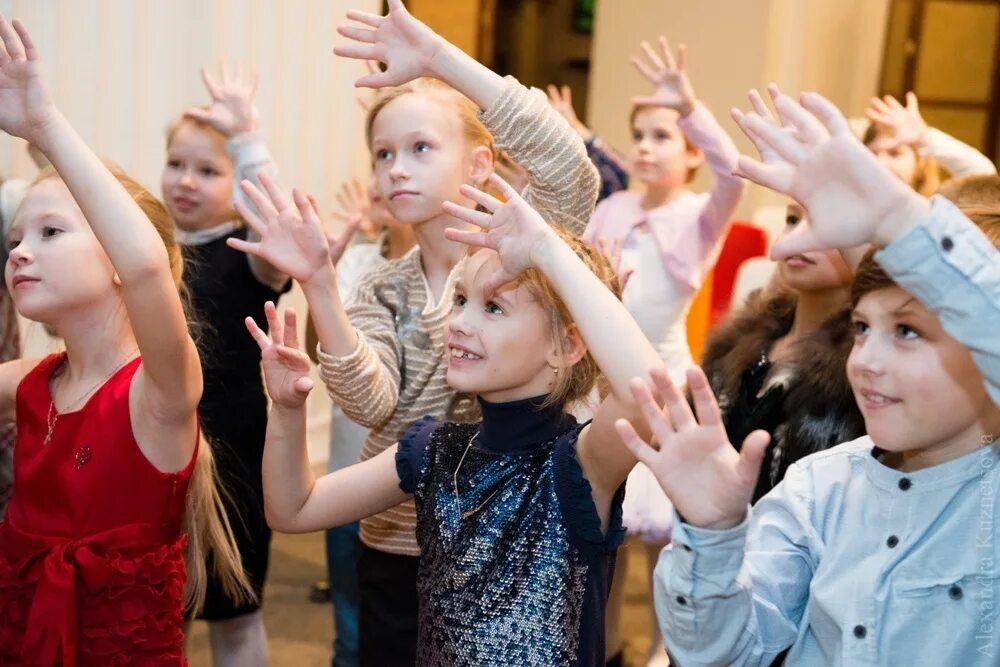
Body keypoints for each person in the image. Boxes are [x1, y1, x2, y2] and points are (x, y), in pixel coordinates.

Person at [240, 2, 598, 661]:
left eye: (420, 148)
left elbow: (568, 167)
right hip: (398, 541)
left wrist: (442, 62)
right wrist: (321, 282)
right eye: (384, 154)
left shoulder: (522, 260)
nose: (397, 168)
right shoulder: (382, 284)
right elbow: (371, 401)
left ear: (481, 165)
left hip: (507, 535)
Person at [621, 87, 1000, 665]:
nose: (866, 360)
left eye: (908, 331)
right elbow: (722, 652)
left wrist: (899, 218)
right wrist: (713, 536)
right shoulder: (820, 486)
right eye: (863, 328)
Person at [243, 170, 667, 666]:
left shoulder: (578, 464)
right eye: (460, 300)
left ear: (566, 345)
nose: (460, 323)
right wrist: (289, 410)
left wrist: (549, 252)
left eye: (494, 308)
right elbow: (293, 509)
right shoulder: (434, 449)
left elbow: (645, 395)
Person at [0, 17, 249, 665]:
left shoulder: (159, 392)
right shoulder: (36, 383)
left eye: (50, 233)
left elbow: (143, 263)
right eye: (15, 242)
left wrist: (43, 124)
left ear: (114, 252)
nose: (21, 253)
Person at [581, 36, 745, 666]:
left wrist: (692, 108)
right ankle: (606, 645)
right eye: (640, 136)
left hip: (667, 385)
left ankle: (662, 649)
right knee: (606, 532)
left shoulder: (701, 212)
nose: (648, 147)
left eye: (663, 136)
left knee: (665, 538)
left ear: (690, 155)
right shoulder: (615, 206)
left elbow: (734, 169)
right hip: (606, 389)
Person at [161, 62, 292, 666]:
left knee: (235, 607)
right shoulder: (152, 250)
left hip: (234, 452)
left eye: (208, 170)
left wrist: (246, 140)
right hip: (164, 449)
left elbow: (280, 227)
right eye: (177, 164)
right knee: (164, 601)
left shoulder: (250, 253)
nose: (186, 181)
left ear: (239, 187)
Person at [863, 91, 996, 197]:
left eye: (894, 153)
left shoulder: (936, 213)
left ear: (919, 165)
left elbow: (983, 176)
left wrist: (923, 138)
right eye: (872, 154)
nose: (880, 162)